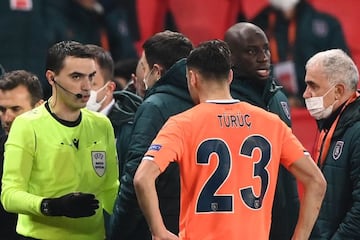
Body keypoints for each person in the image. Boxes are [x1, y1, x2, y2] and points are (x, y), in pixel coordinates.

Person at [133, 39, 326, 239]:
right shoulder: (271, 123)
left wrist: (159, 232)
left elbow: (142, 178)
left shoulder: (181, 124)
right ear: (230, 76)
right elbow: (316, 181)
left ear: (192, 78)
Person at [1, 41, 119, 239]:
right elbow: (9, 195)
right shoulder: (26, 125)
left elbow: (110, 188)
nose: (86, 86)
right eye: (76, 77)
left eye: (91, 77)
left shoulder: (102, 125)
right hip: (38, 236)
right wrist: (53, 206)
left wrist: (136, 219)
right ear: (51, 78)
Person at [109, 30, 193, 240]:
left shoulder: (154, 108)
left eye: (142, 66)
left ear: (156, 71)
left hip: (159, 228)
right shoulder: (204, 102)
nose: (137, 74)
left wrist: (115, 232)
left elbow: (136, 181)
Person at [224, 22, 300, 240]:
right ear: (230, 58)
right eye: (251, 51)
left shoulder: (278, 97)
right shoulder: (225, 104)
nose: (263, 57)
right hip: (246, 222)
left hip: (284, 215)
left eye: (265, 49)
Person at [303, 49, 360, 239]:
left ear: (338, 91)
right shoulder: (331, 125)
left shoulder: (356, 132)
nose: (305, 94)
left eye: (313, 86)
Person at [252, 0, 349, 106]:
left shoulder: (326, 25)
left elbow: (342, 70)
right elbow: (249, 68)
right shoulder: (257, 25)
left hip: (319, 103)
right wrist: (282, 96)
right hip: (270, 103)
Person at [85, 44, 142, 177]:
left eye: (92, 84)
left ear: (109, 88)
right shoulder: (62, 123)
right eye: (76, 80)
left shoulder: (131, 128)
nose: (83, 91)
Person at [0, 70, 44, 239]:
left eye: (15, 109)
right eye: (2, 109)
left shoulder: (63, 147)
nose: (7, 118)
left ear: (39, 107)